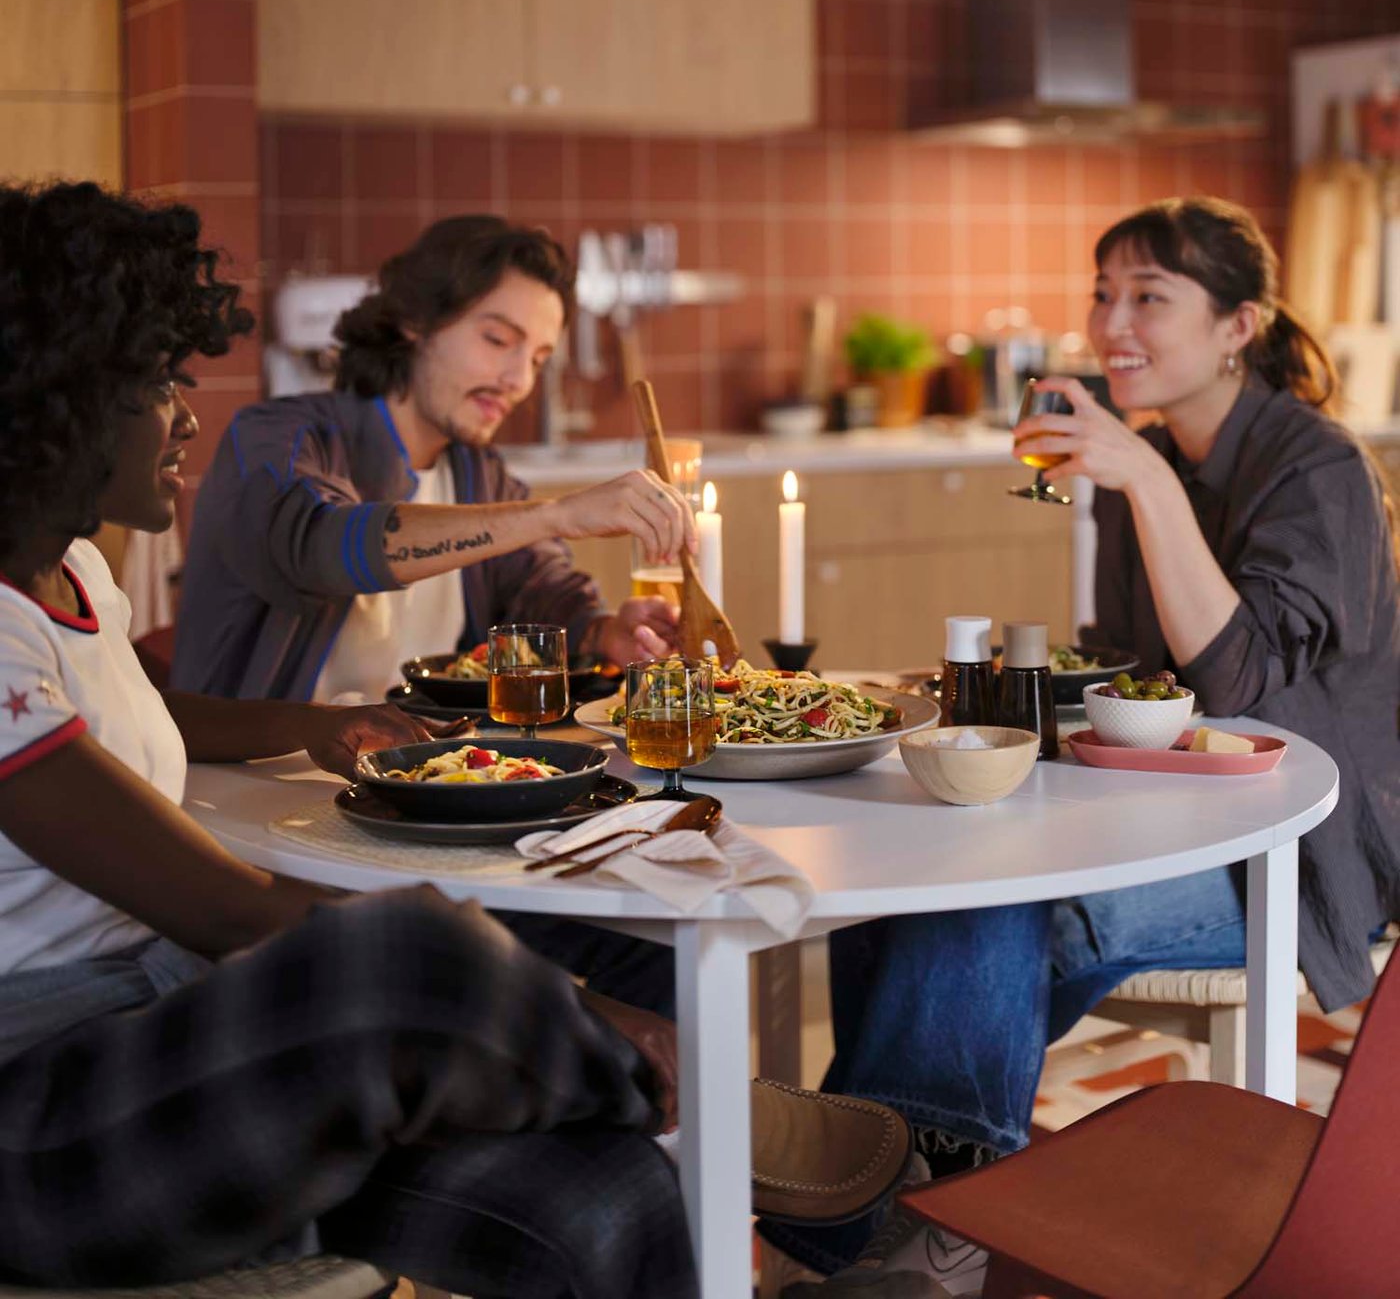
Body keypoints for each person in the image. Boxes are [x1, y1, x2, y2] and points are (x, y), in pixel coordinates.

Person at [0, 181, 917, 1299]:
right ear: (48, 392)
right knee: (400, 955)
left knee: (601, 1194)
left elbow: (145, 713)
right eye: (154, 383)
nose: (183, 415)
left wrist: (330, 722)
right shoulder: (277, 447)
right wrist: (575, 1005)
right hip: (44, 1106)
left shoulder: (76, 575)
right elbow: (230, 907)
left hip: (178, 1037)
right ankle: (719, 1110)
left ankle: (706, 1156)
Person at [767, 196, 1400, 1293]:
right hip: (1176, 812)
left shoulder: (1314, 468)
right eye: (1102, 293)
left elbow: (1236, 679)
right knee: (907, 902)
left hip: (1302, 851)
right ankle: (903, 1220)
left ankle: (901, 1229)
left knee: (995, 905)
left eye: (1148, 296)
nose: (1112, 321)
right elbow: (1132, 672)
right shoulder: (1139, 466)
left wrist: (1141, 479)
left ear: (1235, 326)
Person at [170, 213, 694, 710]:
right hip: (250, 786)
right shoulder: (273, 440)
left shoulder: (477, 474)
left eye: (537, 358)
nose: (519, 380)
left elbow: (539, 588)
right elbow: (322, 544)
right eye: (497, 340)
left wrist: (606, 632)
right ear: (415, 320)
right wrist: (555, 514)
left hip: (420, 783)